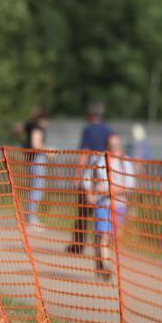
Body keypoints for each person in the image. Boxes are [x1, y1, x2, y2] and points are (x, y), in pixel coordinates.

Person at [82, 133, 135, 281]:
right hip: (103, 203)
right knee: (103, 235)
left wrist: (111, 190)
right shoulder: (99, 160)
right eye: (112, 145)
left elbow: (129, 186)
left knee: (109, 237)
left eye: (117, 145)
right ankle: (105, 266)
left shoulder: (126, 162)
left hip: (119, 205)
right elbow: (86, 179)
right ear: (107, 146)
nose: (114, 148)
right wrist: (90, 194)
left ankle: (100, 260)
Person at [69, 101, 114, 255]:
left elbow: (84, 153)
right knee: (102, 211)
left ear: (91, 115)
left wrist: (78, 176)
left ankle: (78, 244)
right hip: (104, 174)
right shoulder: (108, 130)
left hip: (89, 175)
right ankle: (101, 246)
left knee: (82, 212)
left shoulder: (88, 130)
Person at [23, 106, 49, 226]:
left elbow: (17, 128)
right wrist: (48, 150)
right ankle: (31, 218)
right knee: (37, 188)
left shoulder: (29, 125)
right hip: (37, 158)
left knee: (33, 188)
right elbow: (35, 145)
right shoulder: (38, 128)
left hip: (30, 159)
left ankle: (28, 216)